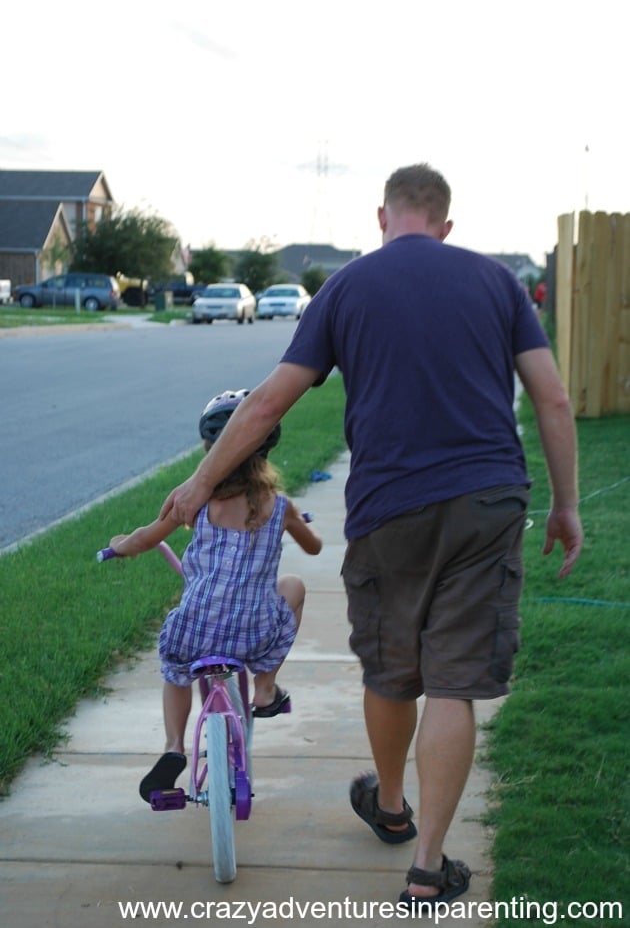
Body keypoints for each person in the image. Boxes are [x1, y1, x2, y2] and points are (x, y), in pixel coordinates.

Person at [158, 164, 583, 908]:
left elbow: (263, 406)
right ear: (445, 225)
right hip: (488, 500)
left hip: (389, 506)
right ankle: (426, 866)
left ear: (382, 218)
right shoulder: (497, 283)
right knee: (454, 681)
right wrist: (566, 504)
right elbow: (551, 395)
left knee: (392, 670)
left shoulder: (347, 287)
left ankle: (390, 802)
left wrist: (199, 486)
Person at [107, 389, 322, 802]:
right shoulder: (279, 505)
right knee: (293, 585)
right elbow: (313, 547)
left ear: (211, 449)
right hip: (254, 632)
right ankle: (265, 687)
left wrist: (119, 545)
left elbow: (144, 539)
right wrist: (295, 524)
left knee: (174, 668)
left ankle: (173, 747)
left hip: (196, 632)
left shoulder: (195, 499)